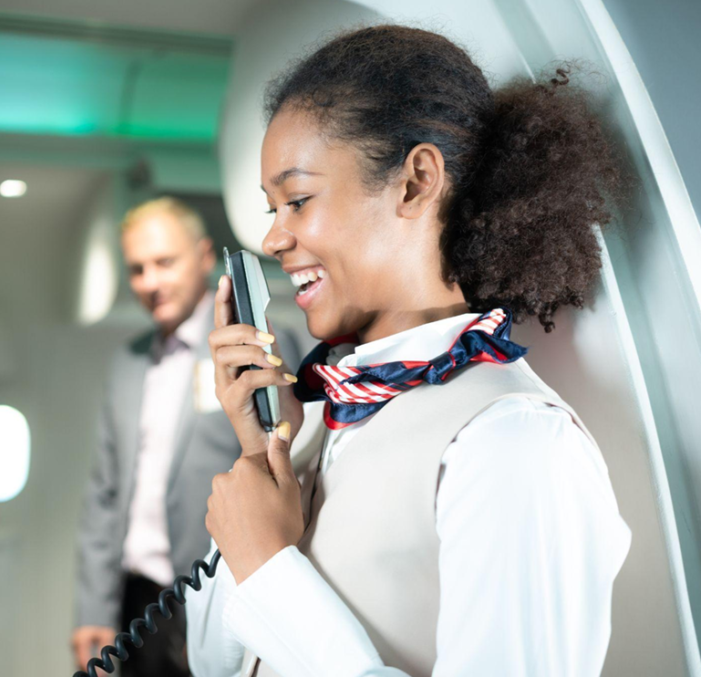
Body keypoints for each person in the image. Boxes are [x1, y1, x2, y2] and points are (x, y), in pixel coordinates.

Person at [188, 26, 631, 677]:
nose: (273, 238)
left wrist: (270, 569)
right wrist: (263, 450)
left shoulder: (513, 440)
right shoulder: (312, 421)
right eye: (272, 208)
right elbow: (213, 661)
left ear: (416, 181)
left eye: (298, 200)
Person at [71, 197, 300, 676]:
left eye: (164, 263)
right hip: (136, 600)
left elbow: (290, 464)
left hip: (216, 589)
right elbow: (103, 494)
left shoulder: (257, 345)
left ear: (200, 256)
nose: (150, 282)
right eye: (137, 269)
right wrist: (93, 609)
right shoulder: (126, 362)